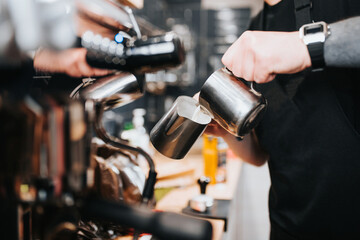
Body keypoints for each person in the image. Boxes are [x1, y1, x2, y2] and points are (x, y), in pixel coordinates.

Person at [205, 0, 360, 239]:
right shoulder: (258, 26)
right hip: (286, 228)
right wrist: (227, 131)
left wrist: (304, 45)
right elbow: (260, 155)